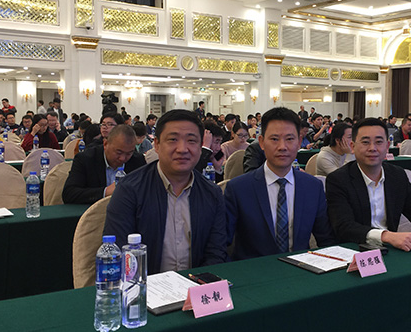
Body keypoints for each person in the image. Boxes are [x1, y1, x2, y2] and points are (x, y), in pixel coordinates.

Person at [104, 109, 227, 274]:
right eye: (173, 140)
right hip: (146, 286)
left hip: (196, 284)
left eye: (191, 141)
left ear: (200, 147)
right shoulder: (129, 189)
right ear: (157, 144)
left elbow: (216, 252)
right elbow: (118, 252)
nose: (182, 149)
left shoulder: (212, 193)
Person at [326, 118, 411, 251]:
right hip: (354, 251)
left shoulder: (396, 175)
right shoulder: (338, 180)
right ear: (352, 146)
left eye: (379, 142)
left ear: (387, 146)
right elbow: (344, 227)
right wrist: (386, 236)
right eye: (365, 142)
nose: (372, 148)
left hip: (390, 249)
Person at [225, 107, 335, 260]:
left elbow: (326, 239)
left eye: (289, 139)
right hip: (253, 270)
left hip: (299, 269)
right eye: (274, 139)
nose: (282, 147)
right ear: (262, 142)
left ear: (299, 142)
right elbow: (222, 244)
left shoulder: (313, 187)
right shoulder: (238, 188)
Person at [62, 125, 146, 204]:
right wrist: (105, 192)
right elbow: (69, 194)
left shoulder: (138, 161)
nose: (123, 158)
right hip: (94, 212)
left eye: (129, 153)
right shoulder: (86, 159)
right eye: (119, 152)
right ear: (105, 144)